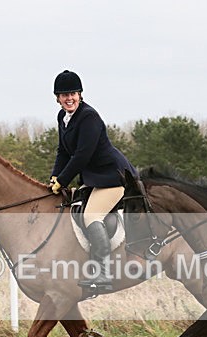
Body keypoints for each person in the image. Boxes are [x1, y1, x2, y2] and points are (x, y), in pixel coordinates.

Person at [48, 70, 137, 292]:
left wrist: (65, 179)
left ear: (80, 94)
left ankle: (104, 273)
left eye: (73, 94)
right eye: (64, 95)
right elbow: (63, 152)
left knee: (91, 216)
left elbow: (82, 155)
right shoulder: (63, 117)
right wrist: (55, 176)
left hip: (113, 176)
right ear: (57, 98)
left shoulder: (89, 117)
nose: (69, 98)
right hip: (94, 178)